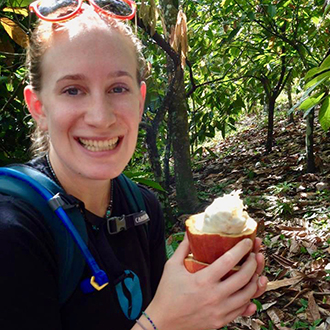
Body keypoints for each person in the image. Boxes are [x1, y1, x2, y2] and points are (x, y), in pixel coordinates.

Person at [0, 1, 267, 329]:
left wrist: (205, 301)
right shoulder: (14, 231)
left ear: (139, 101)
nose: (100, 117)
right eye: (73, 90)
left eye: (117, 88)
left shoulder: (144, 209)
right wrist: (163, 323)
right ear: (39, 107)